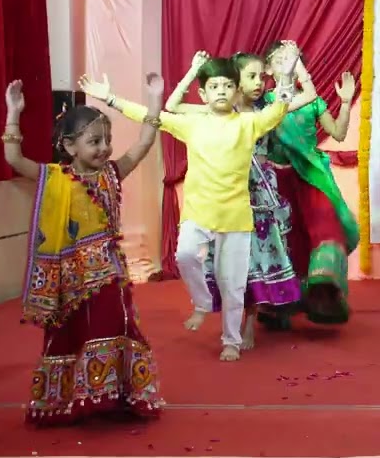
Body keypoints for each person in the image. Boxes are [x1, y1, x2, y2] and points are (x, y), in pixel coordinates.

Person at [80, 45, 301, 362]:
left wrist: (287, 77)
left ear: (235, 91)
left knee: (233, 284)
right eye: (214, 86)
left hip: (237, 218)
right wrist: (110, 98)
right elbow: (151, 116)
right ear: (203, 94)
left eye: (227, 85)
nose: (221, 91)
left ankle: (231, 340)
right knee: (184, 256)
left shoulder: (248, 123)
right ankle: (202, 301)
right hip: (198, 214)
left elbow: (278, 109)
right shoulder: (191, 123)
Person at [5, 74, 166, 425]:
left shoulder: (112, 173)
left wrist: (155, 102)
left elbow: (143, 143)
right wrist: (13, 112)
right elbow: (14, 158)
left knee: (116, 323)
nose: (105, 148)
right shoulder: (54, 178)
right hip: (69, 278)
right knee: (71, 333)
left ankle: (114, 395)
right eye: (94, 141)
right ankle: (72, 399)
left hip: (109, 273)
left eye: (107, 140)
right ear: (69, 146)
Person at [163, 51, 304, 349]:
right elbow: (172, 107)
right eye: (251, 77)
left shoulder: (262, 110)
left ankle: (247, 325)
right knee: (225, 264)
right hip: (226, 196)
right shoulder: (216, 111)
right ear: (235, 82)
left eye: (261, 77)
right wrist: (193, 71)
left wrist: (288, 73)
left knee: (255, 261)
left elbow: (298, 99)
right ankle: (225, 320)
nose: (259, 83)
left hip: (259, 192)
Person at [259, 43, 359, 326]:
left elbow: (338, 133)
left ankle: (323, 296)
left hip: (310, 177)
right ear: (268, 70)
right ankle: (280, 306)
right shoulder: (265, 103)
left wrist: (346, 103)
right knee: (285, 242)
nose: (288, 63)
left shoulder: (313, 101)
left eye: (293, 58)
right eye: (280, 59)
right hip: (276, 183)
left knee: (326, 229)